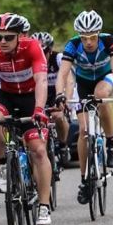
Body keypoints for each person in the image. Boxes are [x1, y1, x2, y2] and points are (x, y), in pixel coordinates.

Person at [0, 13, 54, 225]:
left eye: (8, 37)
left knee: (38, 151)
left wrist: (39, 109)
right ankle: (3, 166)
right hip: (5, 95)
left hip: (30, 96)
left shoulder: (32, 47)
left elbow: (41, 80)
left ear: (19, 36)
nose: (3, 42)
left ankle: (44, 206)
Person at [56, 10, 113, 204]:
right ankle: (85, 179)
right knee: (84, 130)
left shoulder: (109, 41)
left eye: (92, 37)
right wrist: (60, 95)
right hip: (83, 83)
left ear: (99, 34)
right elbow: (63, 74)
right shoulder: (73, 45)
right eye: (84, 37)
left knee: (101, 96)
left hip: (105, 79)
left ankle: (111, 145)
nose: (88, 42)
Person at [33, 31, 70, 163]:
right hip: (39, 95)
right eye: (39, 52)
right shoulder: (31, 61)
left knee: (59, 117)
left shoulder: (58, 58)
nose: (42, 56)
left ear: (50, 50)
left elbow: (69, 80)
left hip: (56, 94)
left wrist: (67, 99)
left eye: (45, 52)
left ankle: (63, 145)